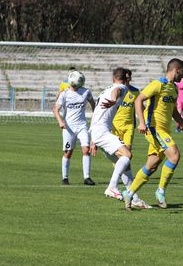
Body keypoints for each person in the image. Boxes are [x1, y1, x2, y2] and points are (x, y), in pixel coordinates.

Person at [122, 58, 183, 211]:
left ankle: (129, 193)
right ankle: (160, 191)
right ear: (176, 70)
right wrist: (142, 123)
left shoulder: (174, 89)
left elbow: (174, 111)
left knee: (152, 165)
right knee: (174, 155)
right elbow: (138, 100)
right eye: (182, 71)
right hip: (154, 128)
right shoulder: (158, 84)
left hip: (164, 130)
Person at [110, 69, 151, 209]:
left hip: (128, 128)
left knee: (126, 159)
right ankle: (132, 195)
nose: (127, 81)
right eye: (125, 79)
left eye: (128, 79)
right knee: (122, 161)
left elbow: (141, 107)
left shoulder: (135, 92)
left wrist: (143, 121)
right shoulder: (115, 91)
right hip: (114, 127)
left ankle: (132, 195)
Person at [89, 67, 132, 201]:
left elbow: (97, 113)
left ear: (113, 78)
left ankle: (134, 198)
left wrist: (92, 139)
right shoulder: (122, 87)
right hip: (101, 131)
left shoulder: (104, 91)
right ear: (126, 79)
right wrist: (114, 99)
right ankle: (112, 187)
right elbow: (117, 90)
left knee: (125, 163)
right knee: (127, 155)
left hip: (97, 131)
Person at [52, 70, 96, 185]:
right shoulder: (64, 94)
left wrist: (96, 117)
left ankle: (87, 178)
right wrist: (61, 122)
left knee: (86, 150)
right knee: (68, 152)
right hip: (68, 128)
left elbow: (93, 105)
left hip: (82, 126)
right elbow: (55, 109)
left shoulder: (86, 92)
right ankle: (65, 178)